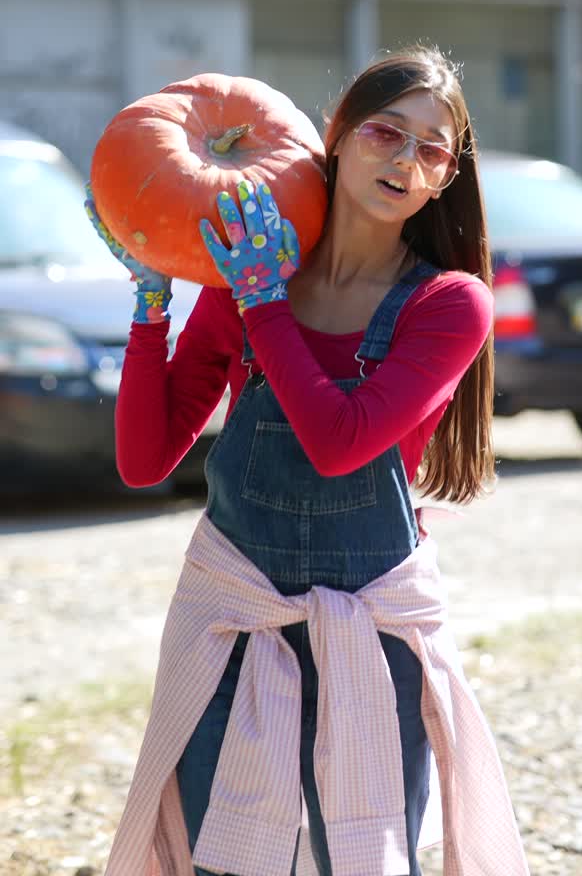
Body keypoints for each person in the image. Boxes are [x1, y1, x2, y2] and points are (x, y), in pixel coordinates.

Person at [87, 44, 529, 876]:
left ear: (444, 177)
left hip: (371, 624)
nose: (403, 158)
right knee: (223, 858)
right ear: (335, 136)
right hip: (234, 618)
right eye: (384, 132)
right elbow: (145, 460)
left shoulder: (448, 305)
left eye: (429, 149)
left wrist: (261, 305)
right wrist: (154, 300)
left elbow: (338, 444)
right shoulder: (251, 279)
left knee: (363, 857)